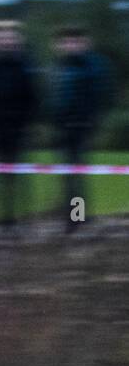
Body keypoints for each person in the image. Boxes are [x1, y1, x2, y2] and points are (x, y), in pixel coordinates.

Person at [50, 26, 114, 226]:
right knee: (67, 175)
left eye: (75, 42)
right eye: (67, 42)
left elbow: (100, 97)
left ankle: (79, 216)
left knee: (77, 173)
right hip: (62, 127)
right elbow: (53, 98)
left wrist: (90, 121)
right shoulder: (58, 67)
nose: (70, 46)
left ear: (84, 43)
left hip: (81, 127)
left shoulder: (92, 67)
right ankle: (72, 215)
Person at [0, 20, 39, 225]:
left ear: (16, 40)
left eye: (8, 37)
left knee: (19, 178)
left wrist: (24, 125)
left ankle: (20, 218)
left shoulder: (25, 67)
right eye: (0, 38)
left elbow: (31, 98)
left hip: (17, 131)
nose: (4, 41)